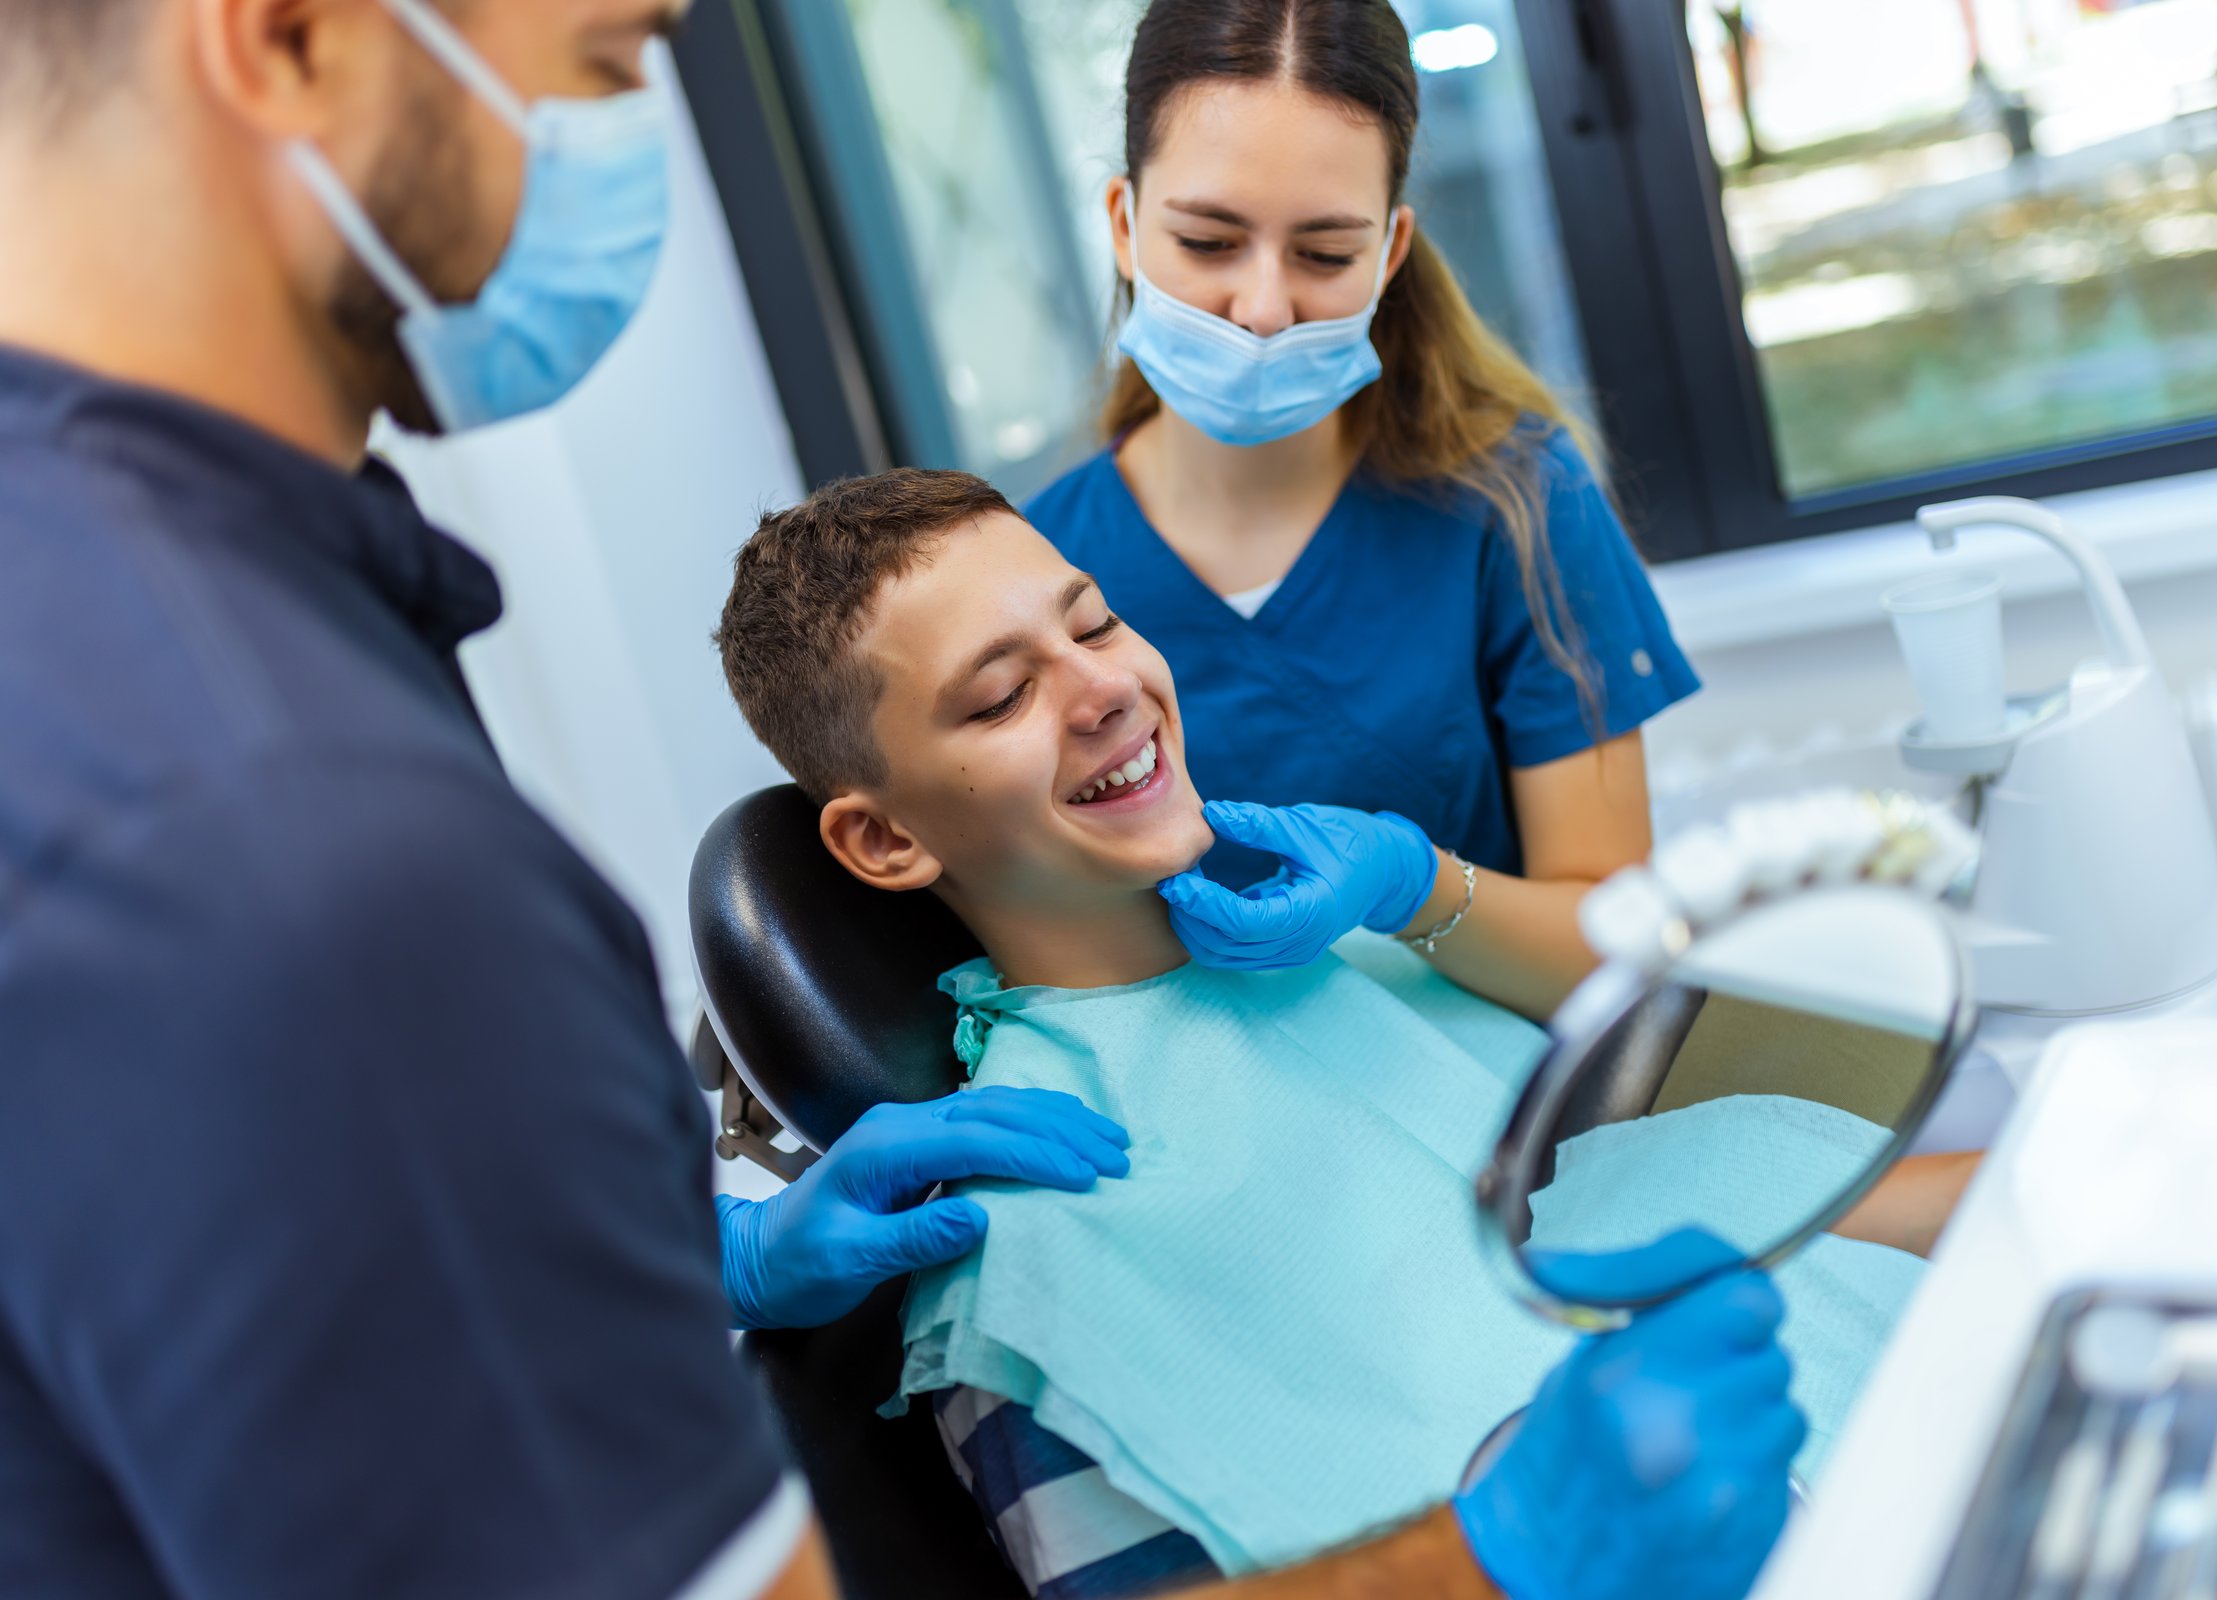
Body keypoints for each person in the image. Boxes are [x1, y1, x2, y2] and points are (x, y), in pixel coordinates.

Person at [0, 3, 1795, 1598]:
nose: (1102, 678)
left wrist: (716, 1252)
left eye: (1095, 629)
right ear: (287, 35)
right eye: (608, 62)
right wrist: (1499, 1562)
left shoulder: (179, 632)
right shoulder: (270, 829)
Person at [714, 468, 1933, 1599]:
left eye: (1092, 625)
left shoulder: (1345, 965)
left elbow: (1690, 1197)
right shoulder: (1024, 1256)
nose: (1103, 689)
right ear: (886, 841)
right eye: (1000, 695)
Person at [1024, 0, 1700, 1018]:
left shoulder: (1515, 506)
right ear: (1123, 224)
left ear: (1389, 253)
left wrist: (1414, 885)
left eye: (1326, 254)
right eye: (1209, 241)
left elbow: (1616, 953)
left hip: (1518, 1120)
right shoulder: (1034, 572)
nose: (1262, 308)